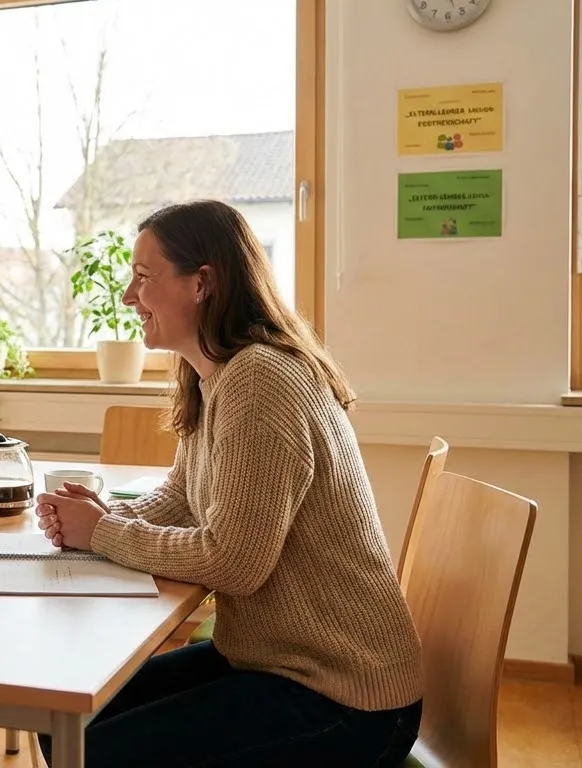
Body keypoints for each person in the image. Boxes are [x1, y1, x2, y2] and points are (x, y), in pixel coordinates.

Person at [35, 200, 423, 766]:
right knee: (64, 723)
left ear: (202, 283)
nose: (127, 297)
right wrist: (104, 518)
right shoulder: (216, 372)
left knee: (95, 749)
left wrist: (102, 533)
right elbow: (182, 493)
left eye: (144, 278)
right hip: (275, 661)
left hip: (345, 697)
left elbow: (235, 561)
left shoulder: (260, 382)